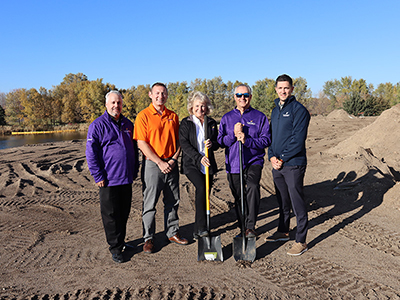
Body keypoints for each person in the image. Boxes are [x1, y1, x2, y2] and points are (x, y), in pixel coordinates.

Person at [133, 82, 188, 254]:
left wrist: (172, 160)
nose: (160, 96)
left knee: (173, 201)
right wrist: (159, 162)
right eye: (157, 93)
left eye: (163, 93)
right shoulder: (143, 116)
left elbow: (180, 141)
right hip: (152, 164)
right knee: (150, 203)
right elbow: (142, 143)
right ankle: (148, 238)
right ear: (150, 94)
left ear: (167, 95)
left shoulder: (173, 115)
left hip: (171, 163)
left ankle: (172, 232)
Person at [86, 90, 139, 263]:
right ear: (107, 104)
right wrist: (98, 175)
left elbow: (134, 148)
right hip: (108, 179)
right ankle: (115, 248)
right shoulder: (98, 125)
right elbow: (91, 153)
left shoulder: (128, 124)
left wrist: (135, 168)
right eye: (113, 103)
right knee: (111, 215)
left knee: (124, 212)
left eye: (119, 103)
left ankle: (122, 242)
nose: (117, 106)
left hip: (126, 177)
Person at [265, 74, 310, 256]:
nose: (283, 91)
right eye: (280, 88)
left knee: (296, 200)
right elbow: (271, 137)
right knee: (282, 200)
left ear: (292, 89)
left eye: (286, 88)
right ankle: (283, 231)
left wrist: (281, 158)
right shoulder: (275, 110)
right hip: (277, 164)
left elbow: (298, 140)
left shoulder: (299, 111)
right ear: (276, 89)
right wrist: (271, 157)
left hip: (293, 164)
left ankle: (301, 240)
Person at [217, 84, 271, 238]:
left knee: (253, 187)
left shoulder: (259, 117)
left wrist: (247, 141)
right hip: (233, 162)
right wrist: (233, 135)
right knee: (238, 195)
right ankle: (242, 224)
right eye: (239, 95)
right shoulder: (227, 118)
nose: (243, 98)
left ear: (250, 97)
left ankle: (250, 226)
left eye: (246, 95)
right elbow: (221, 141)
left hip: (253, 160)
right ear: (234, 97)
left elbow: (266, 140)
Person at [179, 91, 219, 240]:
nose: (200, 109)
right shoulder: (186, 123)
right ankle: (202, 228)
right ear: (192, 107)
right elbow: (184, 144)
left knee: (204, 193)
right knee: (201, 187)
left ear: (207, 107)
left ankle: (198, 229)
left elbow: (217, 143)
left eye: (203, 106)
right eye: (197, 106)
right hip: (192, 164)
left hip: (208, 164)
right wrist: (198, 158)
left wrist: (212, 143)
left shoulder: (211, 122)